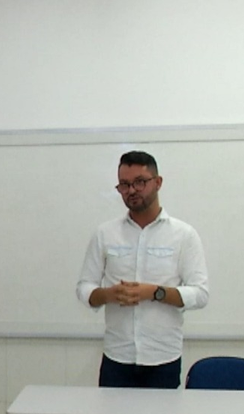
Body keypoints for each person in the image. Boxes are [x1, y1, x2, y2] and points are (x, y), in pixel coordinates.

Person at [77, 151, 210, 388]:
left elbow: (200, 294)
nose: (132, 190)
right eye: (125, 185)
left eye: (140, 182)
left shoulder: (183, 235)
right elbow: (85, 287)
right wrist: (108, 294)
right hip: (116, 358)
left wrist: (155, 292)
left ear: (157, 183)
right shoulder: (105, 233)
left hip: (163, 359)